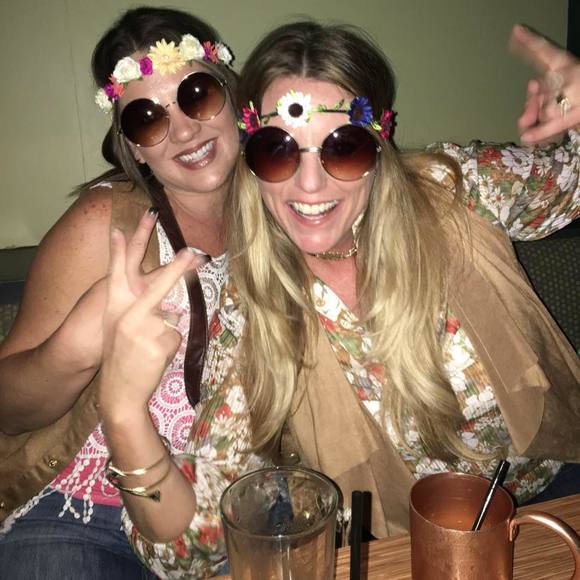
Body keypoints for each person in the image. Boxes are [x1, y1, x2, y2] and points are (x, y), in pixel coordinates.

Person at [93, 21, 580, 579]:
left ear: (378, 144)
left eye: (343, 148)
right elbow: (193, 549)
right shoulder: (255, 308)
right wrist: (123, 416)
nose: (310, 185)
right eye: (277, 151)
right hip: (404, 553)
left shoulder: (458, 190)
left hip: (558, 500)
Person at [0, 6, 239, 578]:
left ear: (234, 98)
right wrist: (75, 349)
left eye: (198, 95)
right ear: (133, 146)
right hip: (83, 514)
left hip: (225, 509)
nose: (184, 131)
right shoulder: (103, 223)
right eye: (148, 119)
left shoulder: (289, 205)